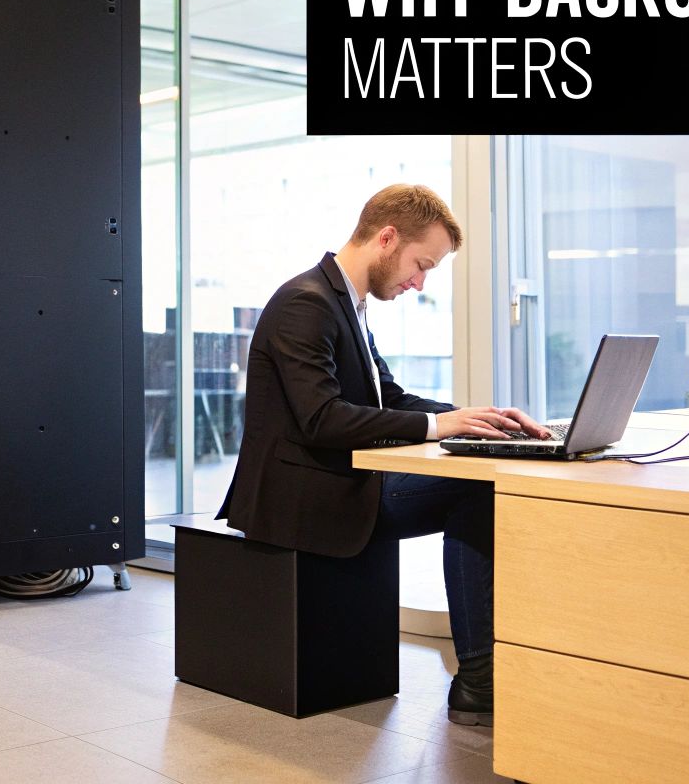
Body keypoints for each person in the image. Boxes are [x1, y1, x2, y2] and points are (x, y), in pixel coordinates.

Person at [217, 184, 549, 728]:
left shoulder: (345, 303)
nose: (419, 282)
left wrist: (477, 419)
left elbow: (386, 398)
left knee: (483, 483)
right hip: (307, 493)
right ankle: (481, 678)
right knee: (477, 487)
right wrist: (440, 426)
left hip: (339, 479)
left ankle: (485, 674)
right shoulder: (306, 304)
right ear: (387, 238)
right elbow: (322, 419)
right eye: (421, 265)